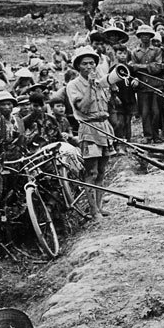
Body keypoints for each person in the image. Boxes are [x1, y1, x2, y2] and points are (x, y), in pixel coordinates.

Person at [66, 46, 115, 218]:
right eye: (85, 64)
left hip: (104, 127)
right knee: (91, 172)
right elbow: (84, 108)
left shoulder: (100, 82)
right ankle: (93, 210)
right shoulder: (73, 85)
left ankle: (99, 206)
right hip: (89, 128)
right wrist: (89, 86)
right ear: (78, 66)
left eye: (92, 63)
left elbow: (107, 103)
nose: (89, 67)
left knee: (102, 171)